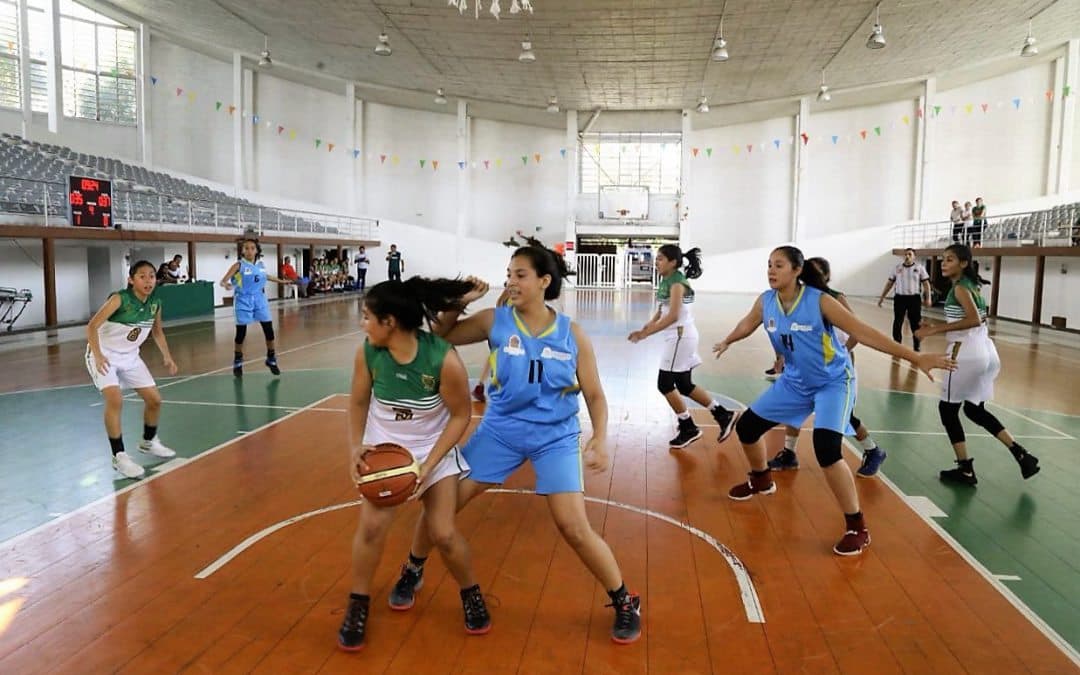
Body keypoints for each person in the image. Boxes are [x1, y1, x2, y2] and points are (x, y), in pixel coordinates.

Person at [388, 244, 643, 644]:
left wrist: (601, 438)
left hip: (556, 438)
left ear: (544, 281)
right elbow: (440, 335)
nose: (511, 281)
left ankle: (624, 599)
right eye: (509, 274)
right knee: (443, 502)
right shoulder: (495, 321)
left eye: (520, 274)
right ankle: (413, 567)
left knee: (573, 527)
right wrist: (461, 300)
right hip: (500, 432)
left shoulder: (572, 333)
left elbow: (594, 395)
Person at [712, 246, 955, 555]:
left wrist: (915, 356)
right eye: (769, 265)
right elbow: (749, 322)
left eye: (779, 265)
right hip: (794, 383)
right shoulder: (766, 301)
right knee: (746, 429)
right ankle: (761, 479)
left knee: (827, 450)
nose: (772, 271)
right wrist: (729, 340)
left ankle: (857, 526)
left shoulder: (819, 301)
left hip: (833, 383)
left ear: (797, 270)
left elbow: (863, 333)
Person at [338, 276, 491, 651]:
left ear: (389, 322)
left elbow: (459, 416)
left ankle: (471, 593)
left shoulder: (442, 357)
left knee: (442, 532)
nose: (362, 324)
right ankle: (358, 604)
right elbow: (358, 402)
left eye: (366, 316)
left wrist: (428, 465)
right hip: (384, 451)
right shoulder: (368, 353)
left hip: (432, 452)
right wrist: (355, 447)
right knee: (372, 529)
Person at [914, 244, 1040, 485]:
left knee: (947, 410)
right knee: (974, 409)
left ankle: (965, 470)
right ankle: (1021, 453)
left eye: (950, 259)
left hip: (966, 355)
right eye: (943, 259)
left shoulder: (961, 288)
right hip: (986, 353)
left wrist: (934, 330)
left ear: (963, 263)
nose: (943, 263)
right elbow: (971, 320)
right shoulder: (972, 286)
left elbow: (971, 320)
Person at [767, 257, 887, 478]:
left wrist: (841, 351)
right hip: (807, 367)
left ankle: (873, 450)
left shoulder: (834, 298)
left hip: (836, 370)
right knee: (794, 408)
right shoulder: (797, 300)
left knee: (846, 416)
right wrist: (782, 357)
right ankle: (789, 453)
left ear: (827, 277)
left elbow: (856, 332)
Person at [627, 244, 736, 448]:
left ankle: (688, 426)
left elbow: (673, 316)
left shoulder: (677, 283)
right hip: (680, 336)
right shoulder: (667, 281)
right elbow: (661, 311)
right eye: (656, 258)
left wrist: (646, 334)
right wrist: (646, 327)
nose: (656, 262)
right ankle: (722, 414)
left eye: (660, 258)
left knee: (665, 384)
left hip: (680, 336)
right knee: (684, 384)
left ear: (673, 262)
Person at [85, 260, 179, 479]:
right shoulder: (120, 299)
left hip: (130, 356)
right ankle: (119, 456)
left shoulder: (155, 302)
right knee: (115, 399)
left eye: (152, 276)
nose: (148, 281)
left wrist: (167, 356)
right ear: (131, 280)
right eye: (142, 276)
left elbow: (157, 332)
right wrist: (97, 355)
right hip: (105, 354)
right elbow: (92, 326)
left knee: (155, 400)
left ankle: (148, 442)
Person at [219, 238, 294, 377]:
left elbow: (266, 276)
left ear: (256, 250)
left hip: (260, 299)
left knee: (269, 331)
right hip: (243, 300)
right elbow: (223, 281)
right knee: (241, 333)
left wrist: (282, 281)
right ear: (242, 251)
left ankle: (271, 358)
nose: (249, 250)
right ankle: (237, 360)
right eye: (246, 248)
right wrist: (226, 285)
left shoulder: (260, 265)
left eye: (252, 248)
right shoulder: (238, 265)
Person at [878, 248, 932, 352]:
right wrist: (882, 297)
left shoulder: (919, 268)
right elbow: (889, 284)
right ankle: (897, 344)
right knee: (898, 322)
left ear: (914, 257)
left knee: (915, 323)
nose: (907, 256)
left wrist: (928, 298)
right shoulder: (897, 268)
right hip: (900, 298)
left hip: (914, 299)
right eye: (906, 254)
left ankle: (917, 345)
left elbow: (926, 285)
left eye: (910, 254)